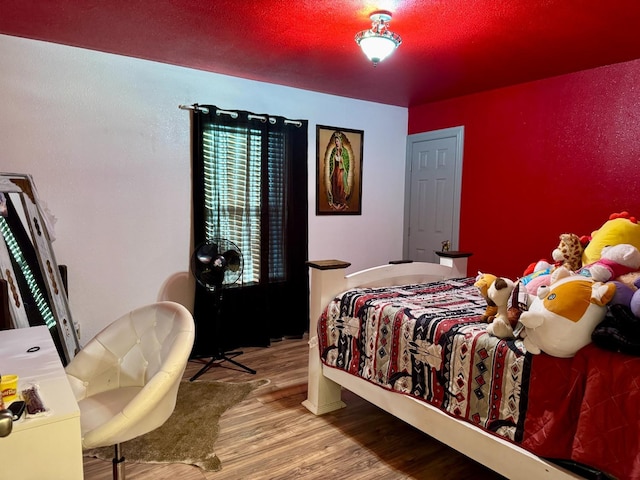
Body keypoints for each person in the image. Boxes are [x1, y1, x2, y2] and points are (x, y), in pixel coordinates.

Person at [327, 131, 351, 210]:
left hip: (341, 172)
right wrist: (334, 158)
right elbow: (331, 161)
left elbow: (347, 163)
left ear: (340, 141)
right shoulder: (334, 150)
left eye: (337, 141)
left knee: (340, 186)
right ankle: (335, 201)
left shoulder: (345, 152)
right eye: (335, 141)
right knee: (335, 186)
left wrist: (341, 159)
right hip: (335, 171)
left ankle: (341, 202)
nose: (336, 143)